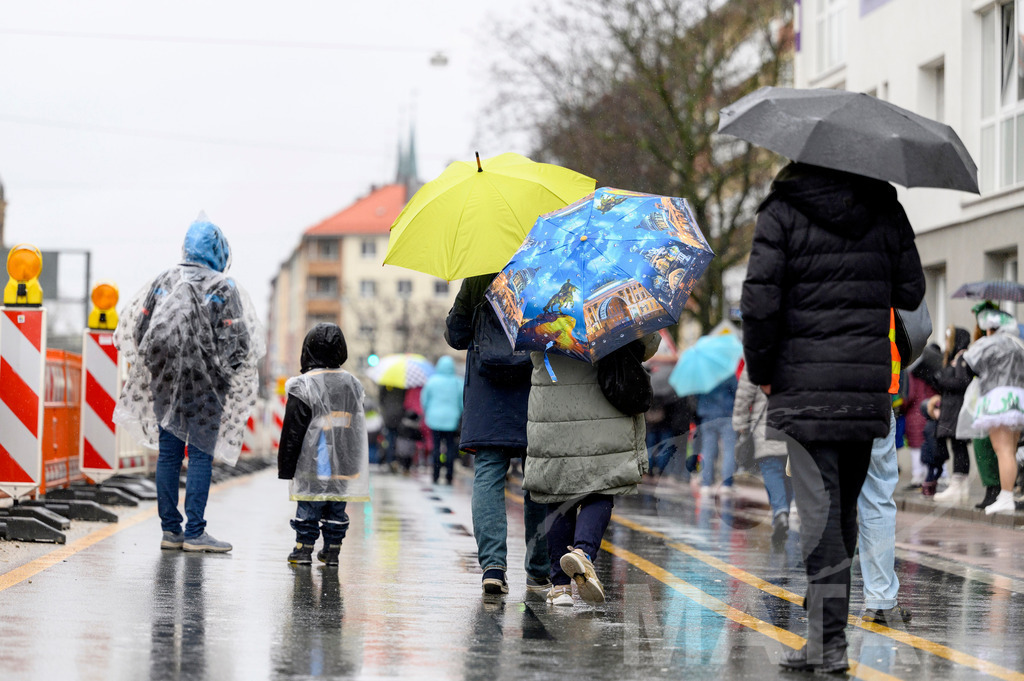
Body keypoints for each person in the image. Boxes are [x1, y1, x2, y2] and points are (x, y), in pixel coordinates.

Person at [741, 162, 924, 673]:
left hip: (802, 391)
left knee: (821, 517)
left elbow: (758, 303)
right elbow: (910, 293)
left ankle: (828, 645)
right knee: (839, 515)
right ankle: (827, 641)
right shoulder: (885, 207)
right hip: (865, 390)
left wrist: (763, 372)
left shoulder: (780, 211)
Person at [114, 214, 264, 553]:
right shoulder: (224, 288)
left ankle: (170, 531)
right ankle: (195, 532)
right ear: (219, 251)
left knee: (168, 455)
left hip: (164, 382)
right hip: (207, 388)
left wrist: (160, 370)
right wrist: (223, 375)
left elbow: (140, 333)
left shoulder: (164, 281)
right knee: (199, 455)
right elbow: (239, 342)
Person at [524, 335, 660, 606]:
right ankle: (583, 553)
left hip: (552, 411)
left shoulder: (539, 309)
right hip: (603, 409)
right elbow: (647, 346)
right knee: (600, 488)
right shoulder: (612, 303)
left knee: (557, 494)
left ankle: (560, 587)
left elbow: (532, 353)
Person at [445, 273, 550, 597]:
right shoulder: (545, 266)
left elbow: (456, 335)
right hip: (534, 385)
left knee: (489, 473)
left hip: (487, 389)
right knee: (538, 477)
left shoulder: (478, 273)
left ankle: (493, 567)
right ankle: (538, 570)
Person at [277, 323, 369, 565]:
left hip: (313, 460)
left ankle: (304, 548)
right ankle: (332, 549)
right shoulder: (352, 384)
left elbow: (293, 430)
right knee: (336, 506)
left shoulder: (304, 384)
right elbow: (358, 426)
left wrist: (286, 466)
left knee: (309, 503)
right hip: (344, 461)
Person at [962, 304, 1024, 515]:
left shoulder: (991, 343)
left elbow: (969, 365)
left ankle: (1006, 497)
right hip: (1018, 399)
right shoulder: (1018, 344)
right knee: (1011, 450)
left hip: (998, 399)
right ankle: (1006, 495)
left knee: (1003, 450)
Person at [732, 366, 791, 542]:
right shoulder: (799, 348)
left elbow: (744, 393)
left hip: (766, 424)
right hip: (794, 423)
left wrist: (740, 422)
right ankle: (783, 512)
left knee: (772, 470)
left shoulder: (759, 351)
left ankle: (780, 511)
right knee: (790, 473)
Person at [928, 326, 972, 501]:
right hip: (952, 409)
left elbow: (963, 382)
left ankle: (959, 485)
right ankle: (959, 486)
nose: (947, 342)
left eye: (949, 338)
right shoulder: (955, 358)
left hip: (957, 410)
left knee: (959, 446)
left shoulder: (962, 357)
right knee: (956, 445)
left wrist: (942, 380)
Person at [421, 356, 465, 484]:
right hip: (452, 420)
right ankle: (449, 475)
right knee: (450, 448)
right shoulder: (457, 382)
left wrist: (428, 412)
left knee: (436, 447)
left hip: (434, 419)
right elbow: (462, 402)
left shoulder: (431, 381)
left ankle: (435, 474)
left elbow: (424, 400)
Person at [695, 373, 739, 496]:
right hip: (726, 414)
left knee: (707, 450)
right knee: (729, 451)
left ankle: (706, 483)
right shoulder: (728, 374)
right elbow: (737, 392)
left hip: (707, 415)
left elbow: (697, 394)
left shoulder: (703, 375)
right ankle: (726, 484)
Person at [378, 385, 406, 471]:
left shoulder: (385, 385)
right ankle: (398, 461)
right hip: (400, 415)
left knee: (390, 439)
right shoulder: (403, 386)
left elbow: (381, 400)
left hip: (388, 415)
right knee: (399, 440)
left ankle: (390, 461)